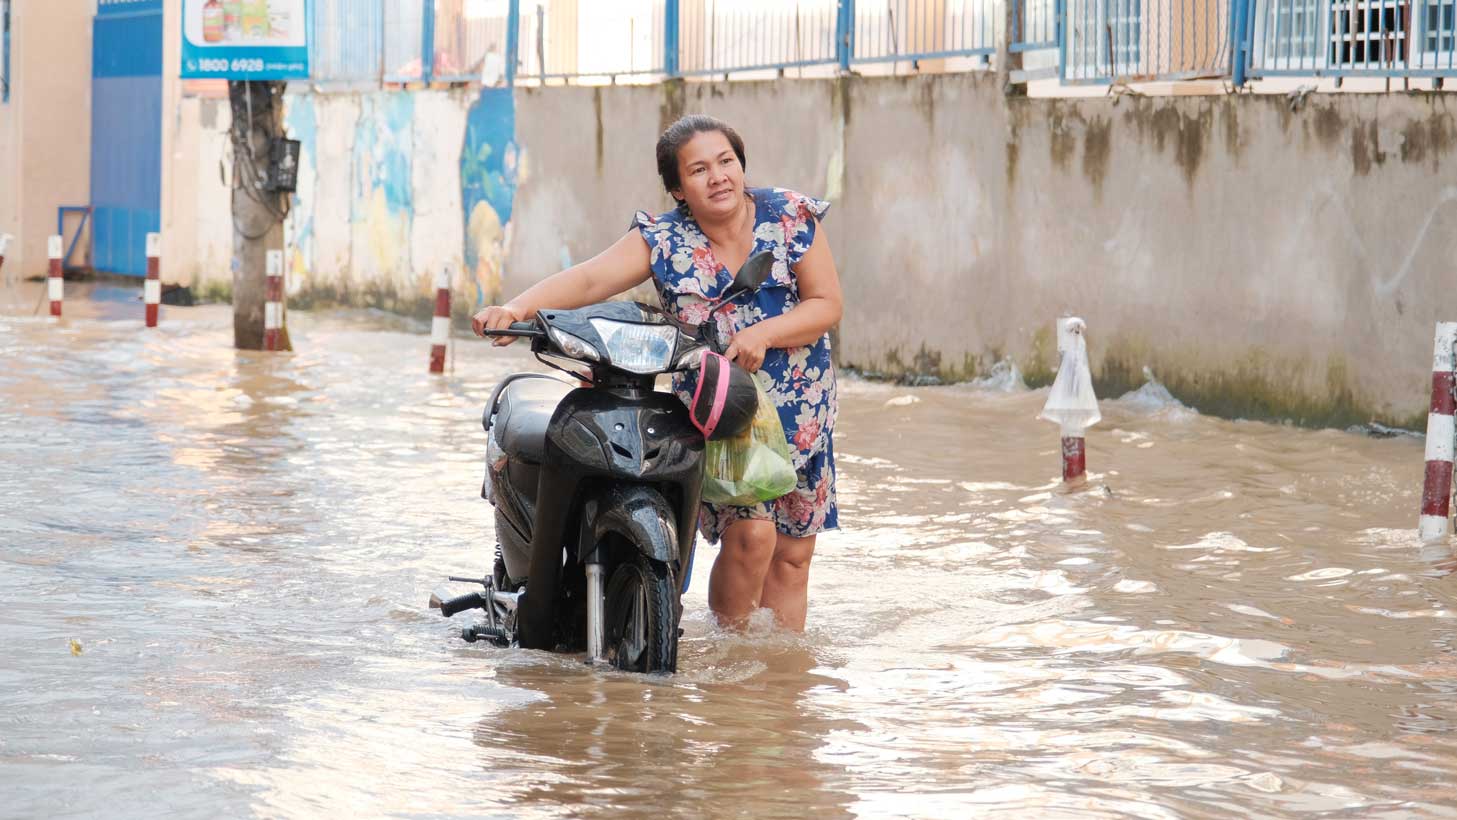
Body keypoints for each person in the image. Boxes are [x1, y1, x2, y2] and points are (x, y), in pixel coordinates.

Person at [471, 115, 841, 632]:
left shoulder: (791, 216)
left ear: (741, 166)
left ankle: (772, 692)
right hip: (724, 409)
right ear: (677, 188)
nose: (718, 177)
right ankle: (731, 666)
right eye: (699, 169)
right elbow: (591, 278)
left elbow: (826, 304)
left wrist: (765, 333)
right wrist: (516, 309)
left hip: (803, 411)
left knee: (794, 556)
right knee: (752, 538)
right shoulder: (663, 239)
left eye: (726, 162)